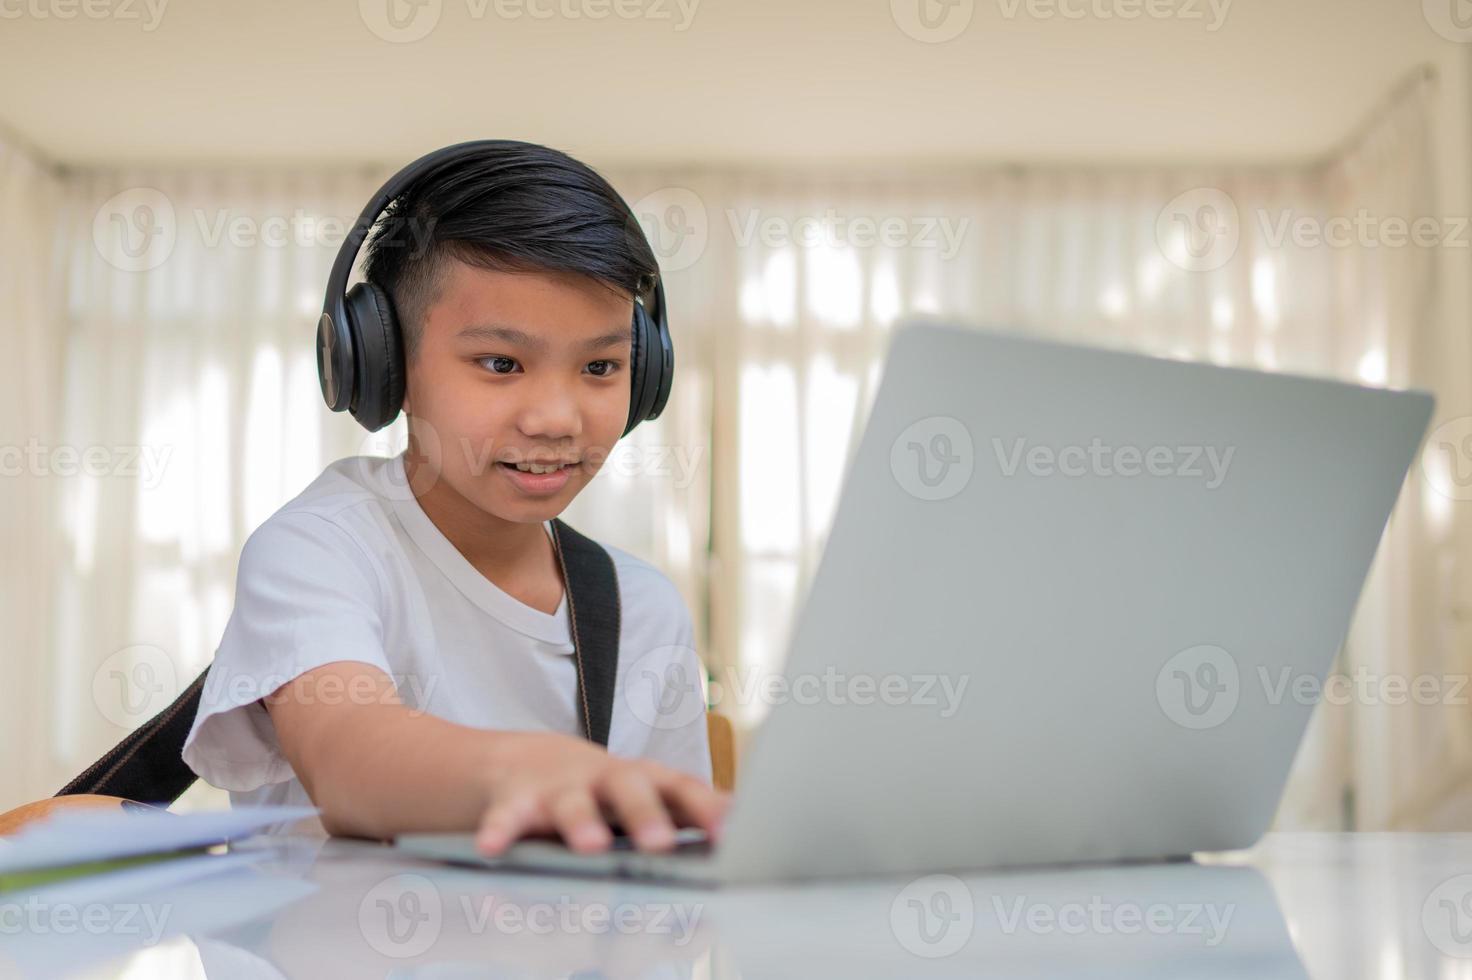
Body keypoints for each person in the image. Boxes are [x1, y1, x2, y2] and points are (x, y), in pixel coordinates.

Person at [181, 141, 729, 857]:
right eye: (501, 363)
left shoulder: (641, 610)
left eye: (601, 366)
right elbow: (352, 761)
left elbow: (668, 874)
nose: (556, 418)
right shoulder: (322, 548)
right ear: (382, 366)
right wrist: (531, 768)